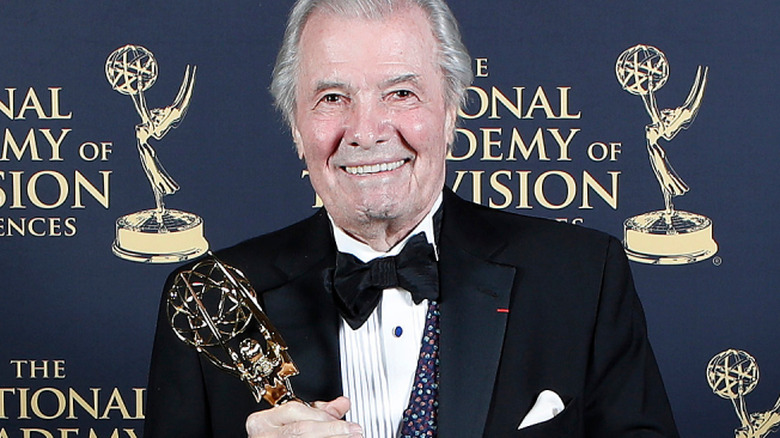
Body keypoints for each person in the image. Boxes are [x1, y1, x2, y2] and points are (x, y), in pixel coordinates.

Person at [144, 0, 681, 436]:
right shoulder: (206, 300)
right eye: (333, 97)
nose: (366, 130)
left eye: (401, 93)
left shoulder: (581, 279)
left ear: (450, 111)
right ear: (295, 126)